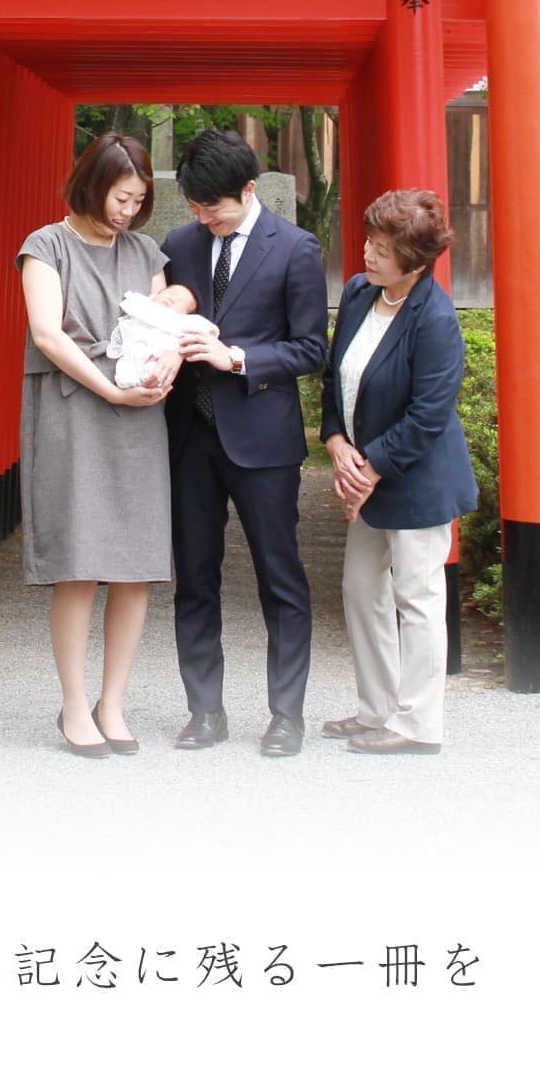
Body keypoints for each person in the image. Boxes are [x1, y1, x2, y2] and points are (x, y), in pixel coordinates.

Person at [162, 127, 328, 757]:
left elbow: (312, 348)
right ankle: (204, 711)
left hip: (263, 438)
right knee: (194, 579)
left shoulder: (295, 248)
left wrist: (236, 357)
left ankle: (287, 715)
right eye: (197, 207)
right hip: (190, 437)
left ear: (251, 190)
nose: (205, 219)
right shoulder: (179, 244)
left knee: (279, 577)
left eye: (216, 207)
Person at [16, 133, 171, 759]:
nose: (127, 211)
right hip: (76, 406)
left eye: (137, 201)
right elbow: (48, 336)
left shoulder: (147, 251)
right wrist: (110, 389)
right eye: (120, 197)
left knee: (134, 566)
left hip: (138, 414)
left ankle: (114, 701)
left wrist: (165, 369)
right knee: (79, 564)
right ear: (91, 183)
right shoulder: (45, 245)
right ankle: (74, 702)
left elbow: (168, 328)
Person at [320, 189, 478, 755]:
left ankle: (417, 725)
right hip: (367, 469)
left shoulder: (434, 318)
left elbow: (428, 415)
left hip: (417, 479)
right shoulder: (362, 294)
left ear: (413, 262)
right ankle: (376, 710)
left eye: (382, 249)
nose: (367, 254)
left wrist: (368, 469)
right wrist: (336, 442)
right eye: (369, 241)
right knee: (361, 589)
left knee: (416, 597)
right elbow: (336, 378)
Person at [107, 284, 219, 389]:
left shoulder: (180, 321)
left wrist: (234, 361)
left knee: (153, 368)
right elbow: (129, 302)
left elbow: (207, 328)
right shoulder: (145, 303)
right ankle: (124, 379)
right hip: (135, 342)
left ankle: (142, 379)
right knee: (128, 361)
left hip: (156, 351)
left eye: (180, 301)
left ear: (185, 314)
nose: (172, 298)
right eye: (170, 292)